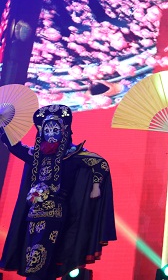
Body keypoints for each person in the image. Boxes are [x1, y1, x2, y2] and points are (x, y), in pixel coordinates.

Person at [0, 104, 116, 280]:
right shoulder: (36, 154)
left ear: (64, 131)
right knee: (32, 251)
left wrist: (96, 186)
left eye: (55, 129)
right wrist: (2, 127)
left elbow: (101, 164)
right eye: (47, 130)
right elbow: (15, 147)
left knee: (42, 251)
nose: (51, 133)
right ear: (42, 132)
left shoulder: (71, 154)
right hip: (34, 212)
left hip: (55, 211)